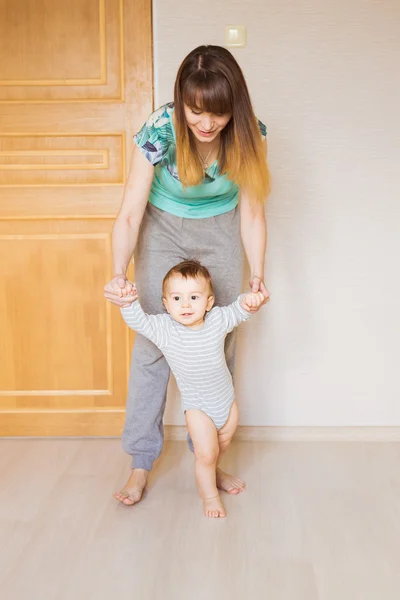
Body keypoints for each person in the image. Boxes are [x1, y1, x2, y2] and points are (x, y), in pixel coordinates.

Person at [104, 44, 270, 506]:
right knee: (155, 344)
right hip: (161, 226)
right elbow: (131, 213)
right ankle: (140, 462)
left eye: (216, 113)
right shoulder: (160, 128)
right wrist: (119, 273)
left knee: (219, 337)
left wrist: (257, 273)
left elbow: (253, 214)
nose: (205, 123)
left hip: (220, 228)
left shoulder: (250, 134)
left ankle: (209, 458)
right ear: (182, 102)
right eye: (195, 111)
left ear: (232, 107)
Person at [120, 260, 267, 517]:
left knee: (221, 447)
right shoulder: (164, 329)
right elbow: (138, 321)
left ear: (208, 303)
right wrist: (129, 301)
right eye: (177, 298)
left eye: (194, 297)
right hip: (198, 409)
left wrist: (250, 301)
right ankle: (209, 497)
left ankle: (214, 471)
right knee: (206, 454)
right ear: (166, 304)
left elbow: (239, 309)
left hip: (227, 403)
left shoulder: (217, 321)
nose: (185, 305)